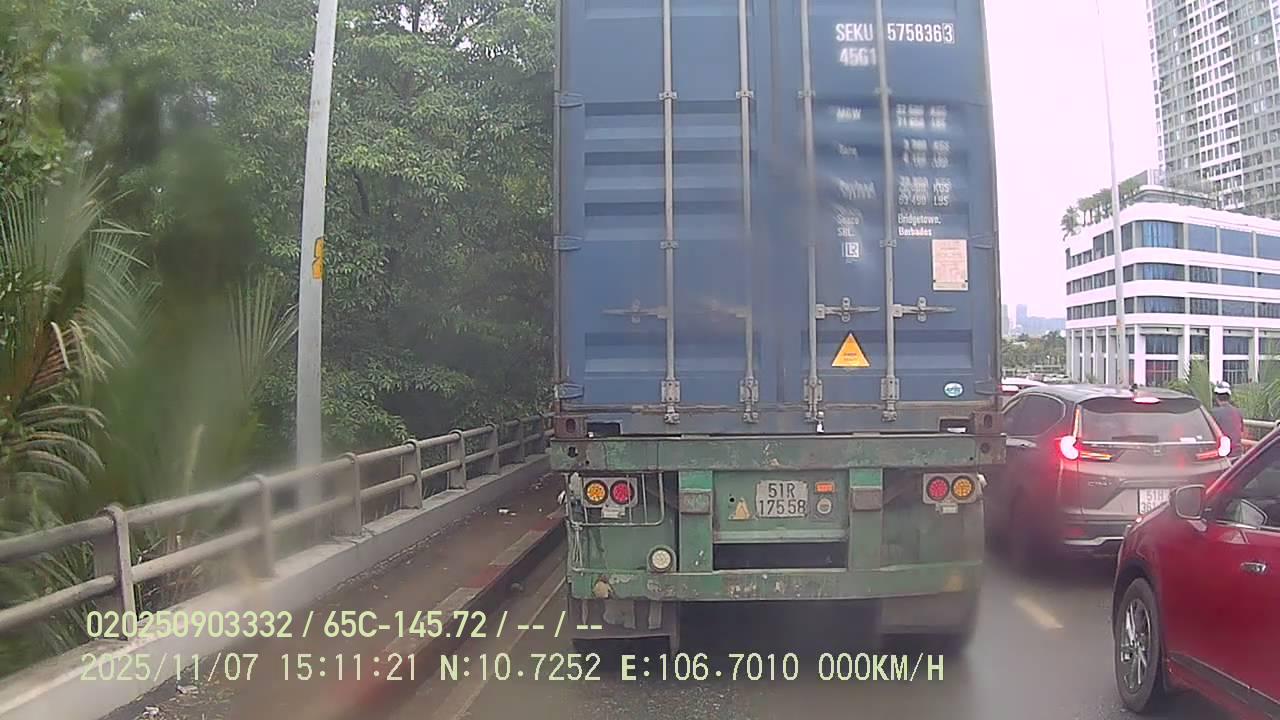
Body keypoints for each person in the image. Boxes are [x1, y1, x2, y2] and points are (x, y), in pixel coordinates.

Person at [1211, 381, 1245, 460]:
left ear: (1216, 397)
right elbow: (1241, 432)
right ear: (1229, 396)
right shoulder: (1238, 412)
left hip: (1222, 456)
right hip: (1237, 454)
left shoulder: (1213, 413)